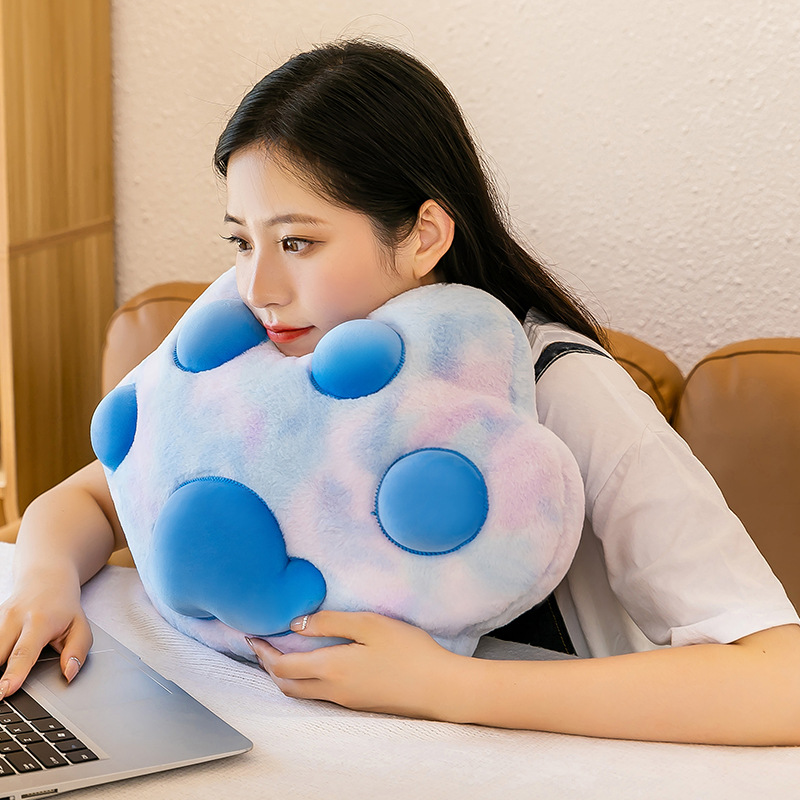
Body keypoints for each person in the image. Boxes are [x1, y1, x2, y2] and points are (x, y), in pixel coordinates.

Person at [2, 39, 799, 746]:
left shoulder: (558, 384)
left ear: (424, 235)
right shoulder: (269, 354)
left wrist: (451, 687)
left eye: (298, 241)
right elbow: (94, 498)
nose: (259, 287)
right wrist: (44, 579)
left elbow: (780, 679)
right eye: (242, 241)